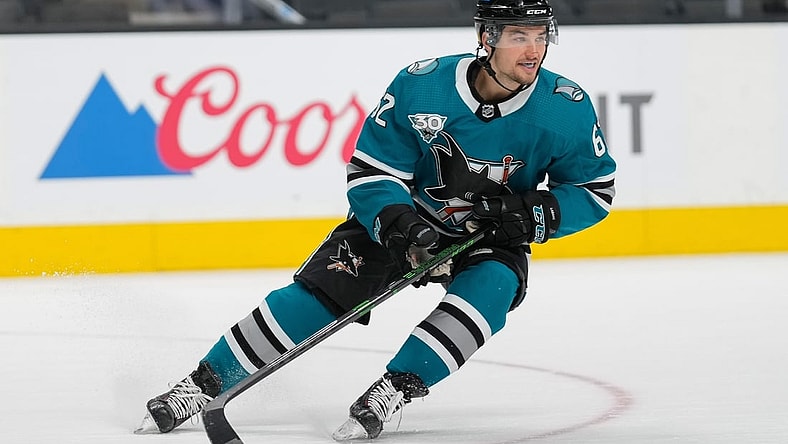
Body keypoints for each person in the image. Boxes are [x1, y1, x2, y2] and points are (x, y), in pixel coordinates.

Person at [135, 0, 616, 440]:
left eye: (539, 35)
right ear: (486, 37)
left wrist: (532, 214)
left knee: (491, 291)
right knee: (319, 296)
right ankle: (203, 383)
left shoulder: (564, 107)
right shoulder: (421, 85)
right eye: (518, 36)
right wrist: (399, 223)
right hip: (404, 220)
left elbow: (595, 191)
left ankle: (395, 388)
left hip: (486, 235)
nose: (533, 50)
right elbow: (371, 171)